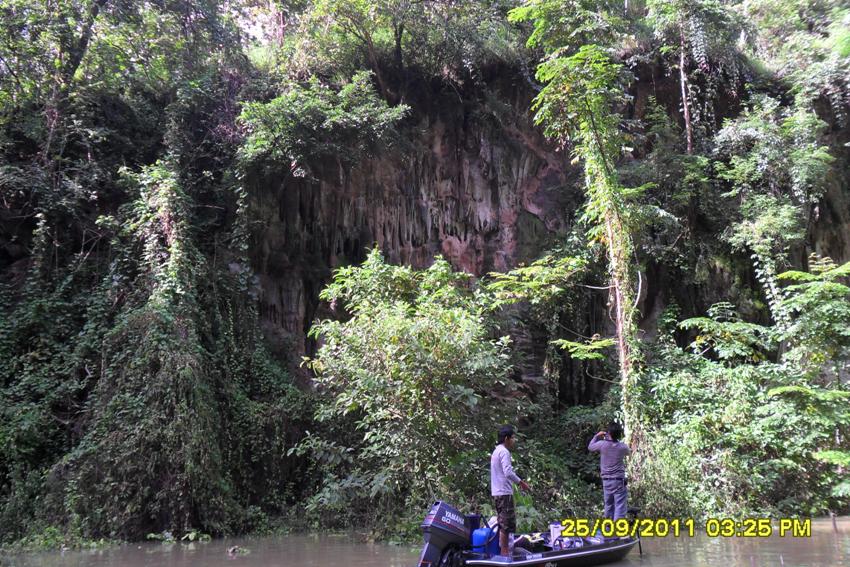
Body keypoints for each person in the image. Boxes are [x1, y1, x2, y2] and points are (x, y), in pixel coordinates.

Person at [491, 425, 530, 557]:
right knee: (506, 525)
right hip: (504, 493)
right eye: (512, 438)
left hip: (497, 492)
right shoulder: (504, 452)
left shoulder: (496, 451)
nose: (514, 440)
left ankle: (504, 551)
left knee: (503, 523)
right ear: (507, 438)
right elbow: (508, 472)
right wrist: (521, 483)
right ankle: (505, 553)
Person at [588, 422, 631, 520]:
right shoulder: (622, 447)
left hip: (606, 481)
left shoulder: (602, 445)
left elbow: (590, 447)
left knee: (608, 506)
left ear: (609, 433)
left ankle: (608, 530)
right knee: (619, 506)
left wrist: (597, 436)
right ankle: (618, 531)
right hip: (619, 481)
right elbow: (628, 453)